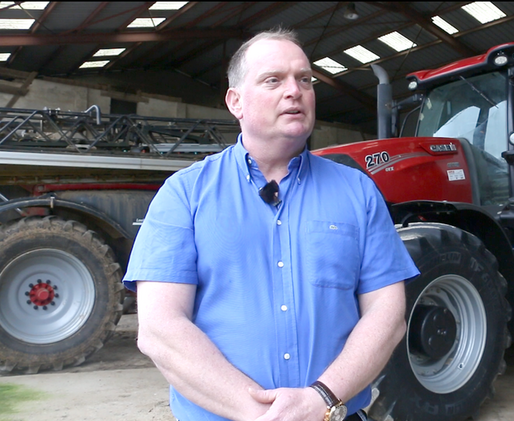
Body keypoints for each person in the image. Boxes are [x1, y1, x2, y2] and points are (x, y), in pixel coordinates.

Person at [123, 27, 419, 421]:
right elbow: (160, 328)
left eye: (305, 79)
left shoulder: (358, 192)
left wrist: (321, 399)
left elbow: (387, 314)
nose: (295, 90)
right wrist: (262, 414)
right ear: (235, 101)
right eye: (273, 80)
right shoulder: (185, 194)